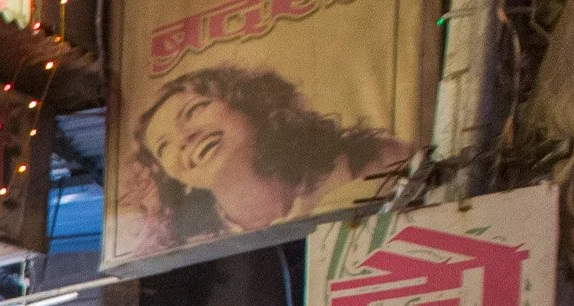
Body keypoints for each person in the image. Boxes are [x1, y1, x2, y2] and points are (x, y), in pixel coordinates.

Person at [123, 66, 412, 253]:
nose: (184, 137)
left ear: (246, 104)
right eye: (164, 146)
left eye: (194, 110)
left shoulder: (371, 161)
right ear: (173, 177)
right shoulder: (194, 242)